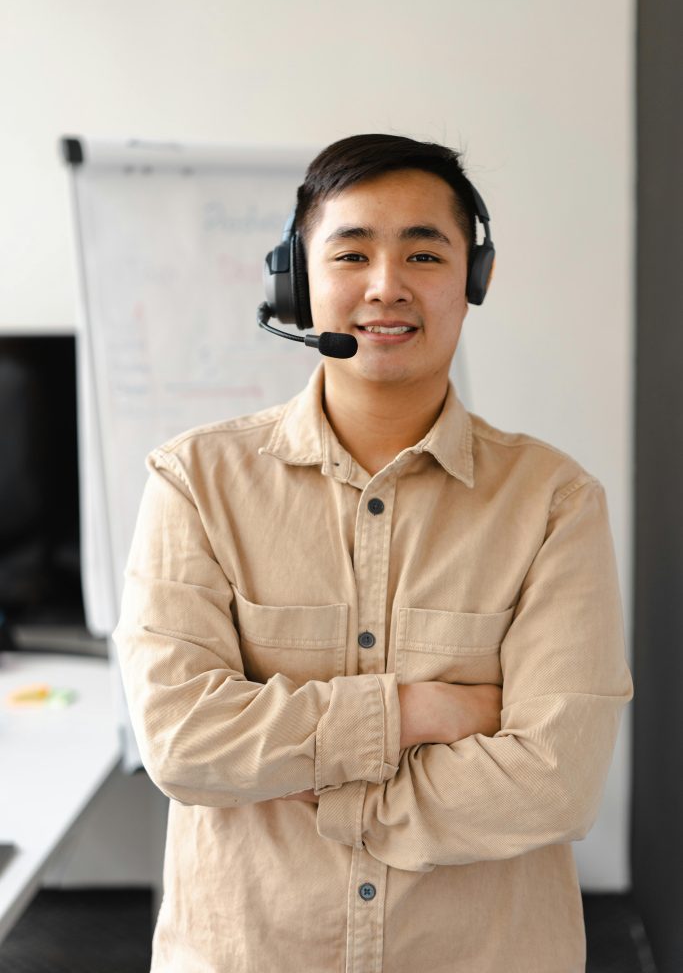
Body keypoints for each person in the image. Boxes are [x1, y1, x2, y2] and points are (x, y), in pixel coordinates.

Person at [113, 133, 633, 973]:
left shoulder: (554, 502)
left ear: (475, 279)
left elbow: (555, 780)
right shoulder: (194, 482)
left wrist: (326, 787)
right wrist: (418, 712)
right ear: (296, 282)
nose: (386, 286)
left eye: (424, 253)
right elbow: (182, 743)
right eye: (351, 252)